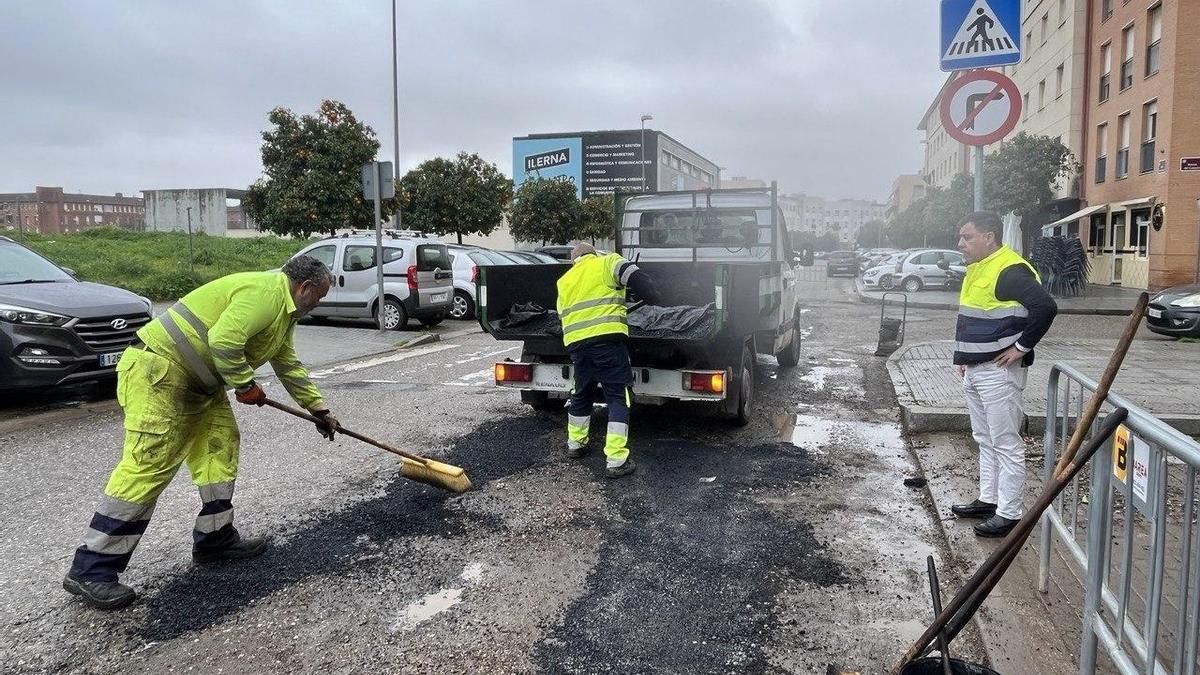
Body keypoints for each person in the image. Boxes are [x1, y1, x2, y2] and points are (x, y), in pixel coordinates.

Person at [63, 255, 340, 609]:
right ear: (305, 287)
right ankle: (91, 569)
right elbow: (224, 342)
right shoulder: (264, 294)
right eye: (320, 296)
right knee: (149, 466)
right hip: (160, 372)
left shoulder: (284, 314)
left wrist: (318, 409)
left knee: (219, 450)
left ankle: (214, 539)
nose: (320, 303)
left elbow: (287, 364)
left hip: (201, 384)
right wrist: (244, 385)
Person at [950, 212, 1057, 537]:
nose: (961, 243)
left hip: (998, 373)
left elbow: (1046, 307)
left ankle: (1009, 513)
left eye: (967, 237)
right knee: (984, 439)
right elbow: (972, 318)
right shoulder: (979, 268)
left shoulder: (1009, 270)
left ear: (989, 236)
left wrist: (1021, 348)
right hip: (976, 368)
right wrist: (963, 357)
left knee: (1006, 443)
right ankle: (988, 499)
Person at [557, 242, 660, 479]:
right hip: (607, 342)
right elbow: (636, 277)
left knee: (582, 393)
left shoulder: (564, 281)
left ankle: (575, 444)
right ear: (593, 254)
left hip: (577, 345)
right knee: (617, 395)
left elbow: (564, 314)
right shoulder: (608, 262)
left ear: (575, 260)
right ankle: (615, 460)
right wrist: (652, 294)